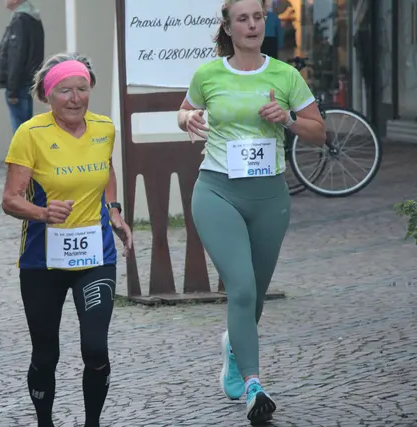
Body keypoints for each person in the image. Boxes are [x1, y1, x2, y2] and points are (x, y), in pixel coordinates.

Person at [176, 0, 325, 424]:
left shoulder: (285, 75)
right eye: (243, 18)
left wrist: (289, 118)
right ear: (228, 27)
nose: (253, 24)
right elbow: (185, 111)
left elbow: (319, 132)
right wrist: (187, 119)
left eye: (258, 17)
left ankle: (233, 348)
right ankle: (254, 385)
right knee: (240, 289)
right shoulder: (209, 74)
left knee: (255, 295)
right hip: (217, 192)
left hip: (269, 198)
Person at [2, 52, 133, 427]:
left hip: (96, 256)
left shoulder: (104, 128)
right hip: (42, 261)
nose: (75, 98)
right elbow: (10, 200)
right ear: (47, 95)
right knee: (46, 354)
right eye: (65, 91)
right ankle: (45, 421)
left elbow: (105, 171)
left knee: (95, 348)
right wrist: (43, 213)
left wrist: (114, 210)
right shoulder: (30, 134)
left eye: (82, 89)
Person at [0, 0, 45, 133]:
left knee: (20, 132)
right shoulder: (32, 18)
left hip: (19, 86)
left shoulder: (20, 20)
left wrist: (12, 89)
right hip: (26, 83)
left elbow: (16, 55)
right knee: (25, 130)